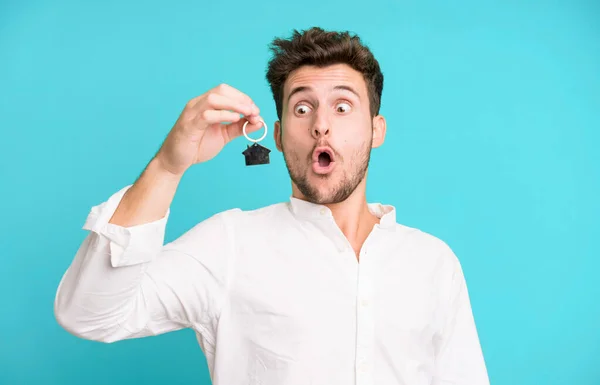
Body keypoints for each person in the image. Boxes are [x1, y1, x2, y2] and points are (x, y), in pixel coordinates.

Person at [54, 27, 490, 385]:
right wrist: (168, 167)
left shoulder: (434, 263)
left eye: (342, 106)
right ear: (278, 137)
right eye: (302, 108)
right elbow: (88, 315)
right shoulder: (230, 245)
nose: (321, 125)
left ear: (376, 130)